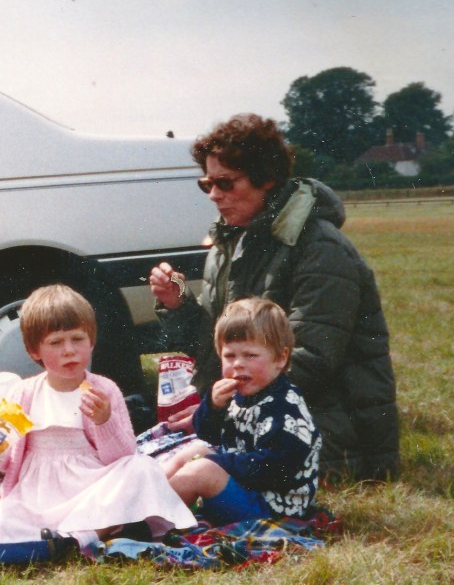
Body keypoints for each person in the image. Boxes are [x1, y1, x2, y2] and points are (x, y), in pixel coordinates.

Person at [150, 113, 399, 482]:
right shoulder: (229, 244)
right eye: (207, 184)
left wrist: (221, 410)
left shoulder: (321, 247)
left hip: (325, 433)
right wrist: (178, 302)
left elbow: (310, 361)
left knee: (184, 473)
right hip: (254, 415)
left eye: (225, 183)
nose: (214, 194)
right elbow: (216, 348)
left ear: (266, 179)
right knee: (154, 460)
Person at [0, 284, 197, 545]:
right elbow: (3, 459)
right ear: (34, 350)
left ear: (91, 342)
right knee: (5, 520)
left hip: (89, 485)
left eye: (77, 339)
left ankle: (87, 535)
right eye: (56, 342)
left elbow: (122, 457)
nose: (69, 350)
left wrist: (104, 421)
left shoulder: (104, 389)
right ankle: (97, 530)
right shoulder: (22, 393)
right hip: (38, 494)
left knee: (142, 468)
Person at [163, 298, 321, 524]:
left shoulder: (286, 409)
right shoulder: (240, 393)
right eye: (229, 356)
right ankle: (144, 499)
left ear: (280, 358)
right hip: (246, 488)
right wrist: (213, 406)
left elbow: (271, 470)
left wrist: (219, 463)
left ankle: (149, 522)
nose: (238, 364)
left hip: (272, 508)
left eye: (250, 355)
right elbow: (207, 433)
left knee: (202, 470)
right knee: (194, 450)